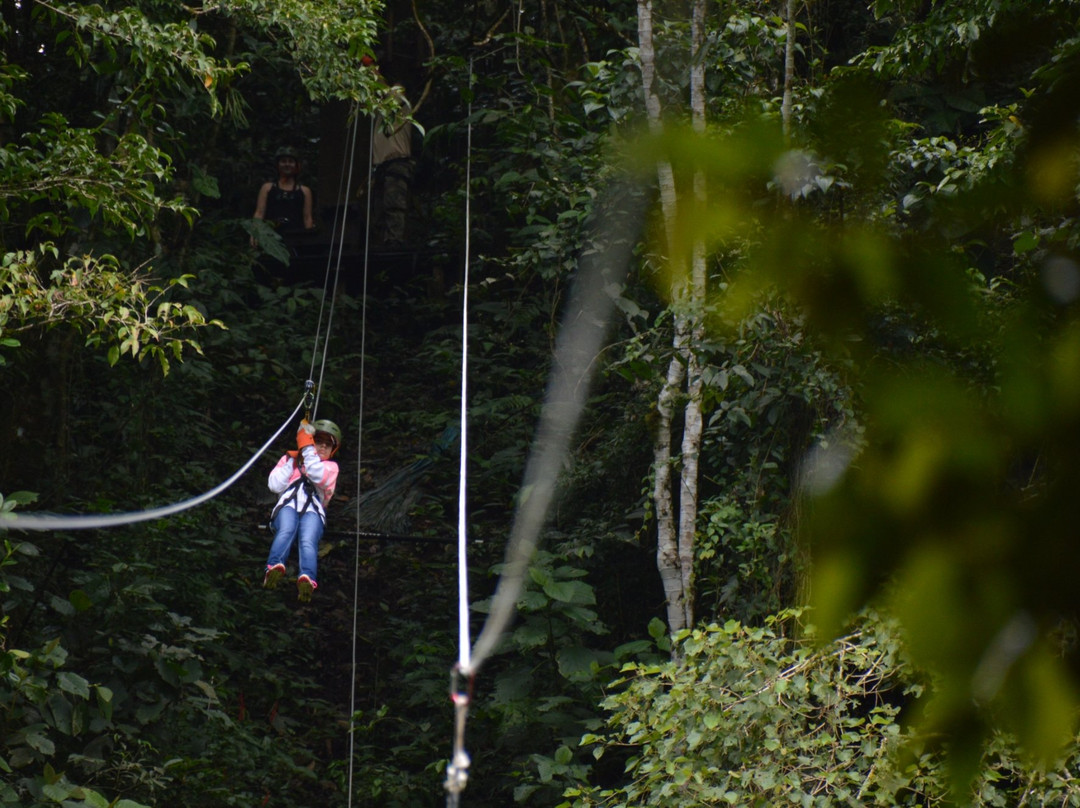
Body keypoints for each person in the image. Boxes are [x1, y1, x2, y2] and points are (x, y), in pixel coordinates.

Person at [263, 418, 342, 602]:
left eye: (327, 445)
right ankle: (273, 567)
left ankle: (307, 577)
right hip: (288, 505)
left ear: (332, 451)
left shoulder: (330, 468)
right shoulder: (290, 459)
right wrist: (292, 461)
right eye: (318, 442)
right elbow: (274, 485)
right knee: (287, 529)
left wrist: (307, 448)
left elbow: (316, 474)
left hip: (313, 510)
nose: (322, 447)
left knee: (308, 540)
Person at [371, 84, 418, 246]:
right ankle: (384, 241)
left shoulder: (402, 107)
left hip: (397, 163)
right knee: (379, 209)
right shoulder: (381, 113)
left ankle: (395, 241)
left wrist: (373, 75)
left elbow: (392, 95)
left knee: (394, 204)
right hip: (382, 166)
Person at [252, 145, 315, 241]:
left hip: (297, 237)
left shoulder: (304, 191)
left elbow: (307, 217)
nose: (287, 164)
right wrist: (255, 233)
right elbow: (259, 213)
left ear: (296, 165)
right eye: (283, 161)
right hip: (272, 237)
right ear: (278, 165)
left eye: (290, 161)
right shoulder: (267, 188)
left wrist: (309, 238)